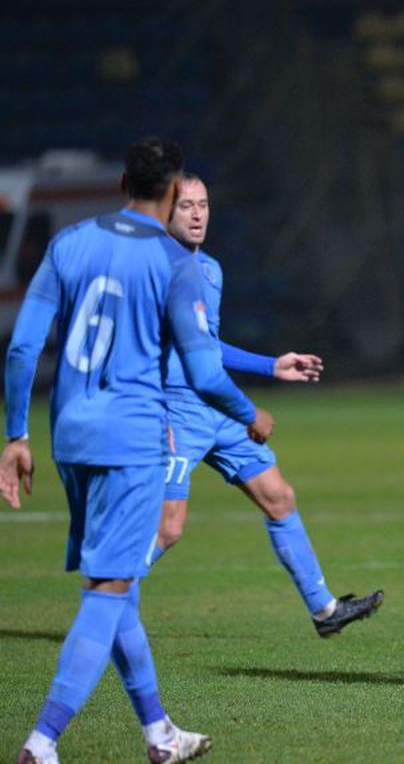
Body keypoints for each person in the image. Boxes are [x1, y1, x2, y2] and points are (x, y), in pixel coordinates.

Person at [2, 138, 271, 764]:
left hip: (68, 436)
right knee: (108, 588)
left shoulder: (68, 243)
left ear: (123, 182)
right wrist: (249, 412)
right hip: (131, 441)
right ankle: (42, 743)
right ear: (174, 190)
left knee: (115, 583)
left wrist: (16, 436)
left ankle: (158, 732)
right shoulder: (175, 264)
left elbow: (21, 349)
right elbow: (204, 373)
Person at [149, 174, 383, 636]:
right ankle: (103, 599)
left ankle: (324, 610)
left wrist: (270, 365)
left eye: (204, 204)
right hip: (175, 410)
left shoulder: (211, 270)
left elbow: (207, 346)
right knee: (168, 529)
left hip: (215, 406)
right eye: (185, 207)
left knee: (279, 497)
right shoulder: (156, 269)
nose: (197, 215)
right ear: (165, 213)